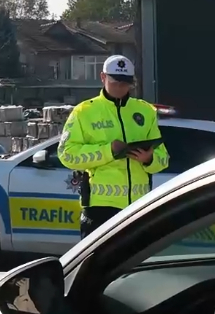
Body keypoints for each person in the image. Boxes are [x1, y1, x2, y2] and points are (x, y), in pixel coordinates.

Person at [58, 55, 169, 238]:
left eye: (125, 83)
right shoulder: (84, 111)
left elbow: (163, 158)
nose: (120, 88)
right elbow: (66, 154)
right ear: (103, 77)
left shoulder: (145, 111)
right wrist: (108, 151)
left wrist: (149, 159)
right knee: (99, 265)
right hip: (100, 208)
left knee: (134, 263)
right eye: (115, 82)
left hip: (139, 206)